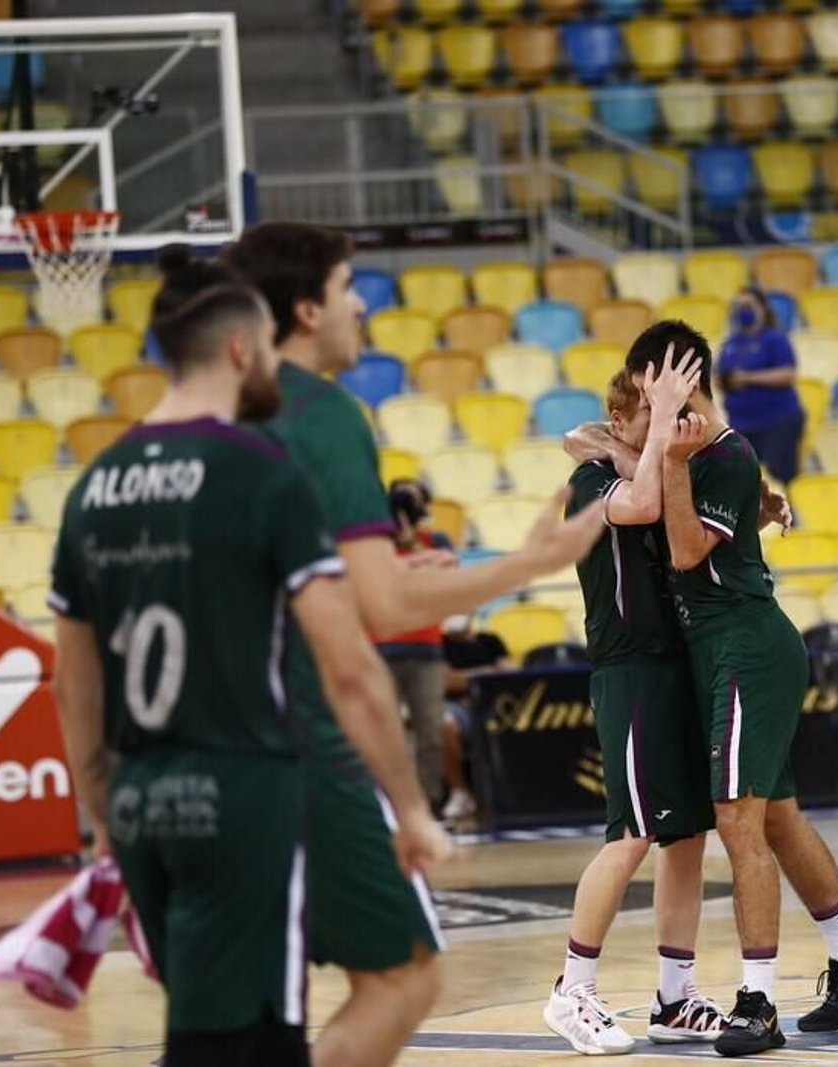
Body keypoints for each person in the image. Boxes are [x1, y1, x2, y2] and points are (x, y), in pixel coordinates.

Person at [48, 248, 450, 1065]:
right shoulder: (259, 470)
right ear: (240, 349)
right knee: (252, 1039)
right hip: (241, 793)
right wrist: (410, 806)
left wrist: (101, 819)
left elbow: (71, 683)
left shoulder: (93, 485)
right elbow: (346, 665)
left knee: (204, 1029)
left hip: (139, 804)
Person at [224, 222, 607, 1066]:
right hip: (289, 743)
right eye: (348, 285)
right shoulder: (322, 412)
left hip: (184, 750)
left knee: (245, 1014)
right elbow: (384, 604)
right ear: (303, 308)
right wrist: (524, 561)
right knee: (404, 972)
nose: (361, 302)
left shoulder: (197, 414)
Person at [630, 320, 838, 1058]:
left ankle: (759, 1001)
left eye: (645, 383)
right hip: (728, 648)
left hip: (748, 646)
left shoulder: (718, 451)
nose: (637, 398)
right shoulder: (705, 453)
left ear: (678, 377)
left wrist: (679, 462)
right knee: (776, 818)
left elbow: (686, 551)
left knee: (738, 818)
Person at [544, 353, 726, 1055]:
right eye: (655, 413)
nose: (670, 427)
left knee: (686, 836)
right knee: (632, 832)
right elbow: (642, 502)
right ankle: (572, 987)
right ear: (621, 420)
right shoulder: (589, 482)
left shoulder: (638, 459)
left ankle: (675, 996)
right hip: (629, 671)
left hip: (678, 666)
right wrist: (633, 439)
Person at [375, 479, 454, 809]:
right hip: (381, 649)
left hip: (427, 650)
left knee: (430, 733)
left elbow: (448, 576)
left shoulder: (436, 540)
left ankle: (428, 806)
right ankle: (389, 808)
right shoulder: (376, 545)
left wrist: (413, 545)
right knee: (384, 735)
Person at [715, 287, 805, 485]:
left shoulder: (774, 338)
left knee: (779, 478)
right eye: (738, 307)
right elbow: (720, 378)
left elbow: (787, 374)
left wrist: (747, 378)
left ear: (763, 308)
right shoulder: (731, 343)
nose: (742, 311)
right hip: (742, 425)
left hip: (776, 422)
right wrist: (726, 381)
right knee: (742, 480)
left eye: (747, 306)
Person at [439, 615, 514, 821]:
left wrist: (466, 677)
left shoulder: (491, 640)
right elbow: (447, 681)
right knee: (444, 725)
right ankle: (459, 792)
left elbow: (508, 673)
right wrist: (486, 673)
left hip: (494, 707)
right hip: (458, 708)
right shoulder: (440, 644)